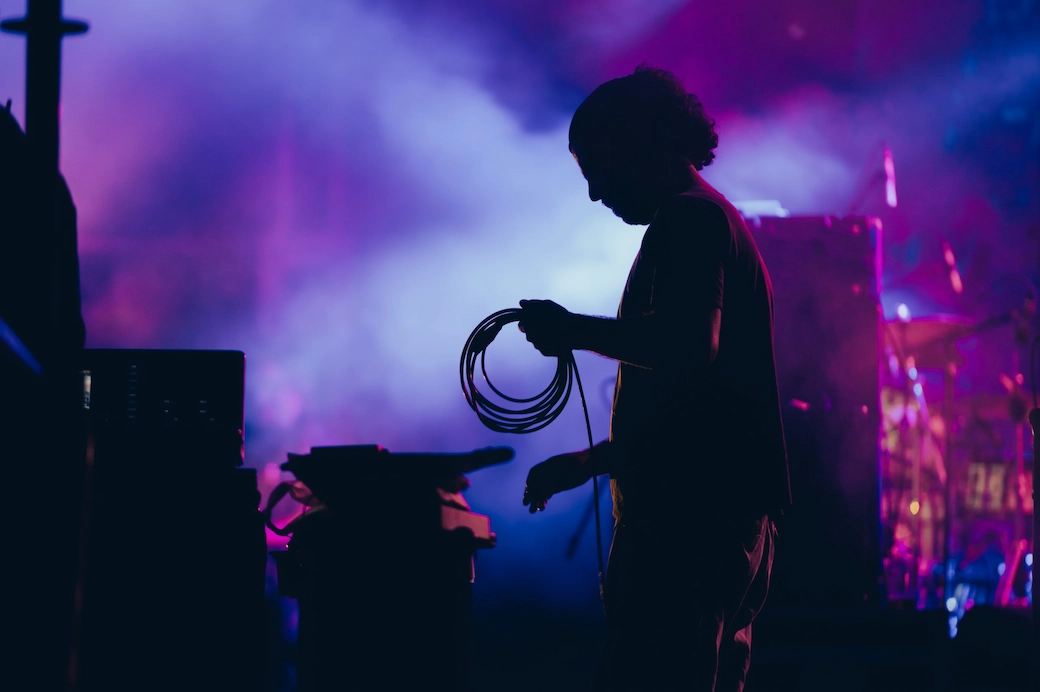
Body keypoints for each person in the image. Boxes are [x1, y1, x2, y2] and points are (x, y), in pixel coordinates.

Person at [517, 66, 792, 691]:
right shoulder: (707, 219)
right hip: (713, 511)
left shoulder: (689, 221)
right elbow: (695, 410)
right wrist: (591, 462)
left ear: (637, 145)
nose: (594, 194)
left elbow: (690, 347)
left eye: (597, 171)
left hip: (689, 526)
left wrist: (572, 330)